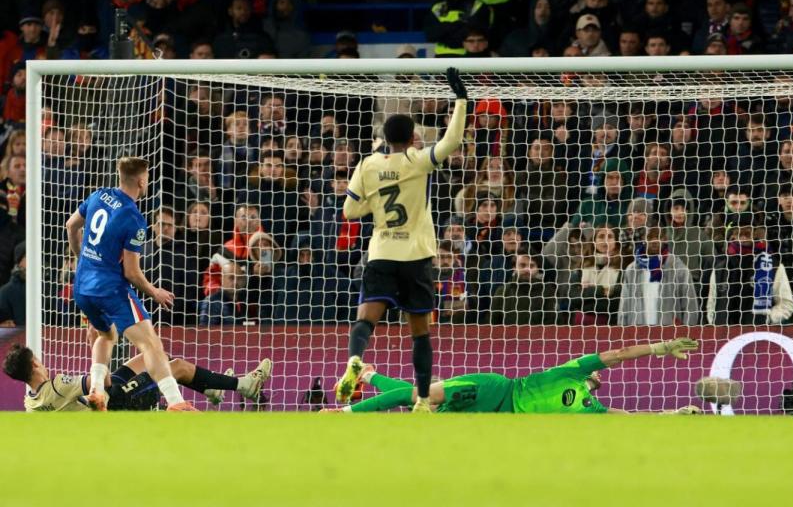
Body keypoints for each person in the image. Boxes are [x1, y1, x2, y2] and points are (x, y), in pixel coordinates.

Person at [334, 68, 468, 412]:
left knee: (365, 319)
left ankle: (354, 360)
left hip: (381, 252)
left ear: (385, 137)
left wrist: (376, 200)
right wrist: (461, 100)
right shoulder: (418, 161)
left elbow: (349, 211)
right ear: (412, 138)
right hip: (415, 256)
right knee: (420, 332)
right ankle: (422, 400)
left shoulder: (368, 164)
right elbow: (452, 141)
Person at [64, 157, 194, 412]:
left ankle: (96, 391)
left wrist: (82, 260)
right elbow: (132, 273)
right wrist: (155, 292)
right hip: (111, 289)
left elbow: (71, 226)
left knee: (106, 335)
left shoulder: (98, 195)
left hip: (82, 287)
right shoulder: (134, 219)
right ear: (142, 181)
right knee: (151, 344)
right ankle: (176, 402)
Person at [322, 337, 699, 414]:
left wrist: (674, 414)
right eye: (599, 373)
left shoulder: (592, 409)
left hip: (493, 416)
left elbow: (630, 418)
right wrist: (661, 347)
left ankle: (368, 374)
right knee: (422, 396)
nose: (601, 375)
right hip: (495, 389)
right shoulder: (575, 369)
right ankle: (344, 413)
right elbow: (618, 354)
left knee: (424, 406)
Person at [3, 343, 270, 412]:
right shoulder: (58, 386)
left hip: (104, 403)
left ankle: (211, 389)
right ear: (35, 364)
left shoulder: (31, 403)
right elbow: (103, 382)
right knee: (174, 367)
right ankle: (244, 385)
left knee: (151, 355)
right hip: (116, 403)